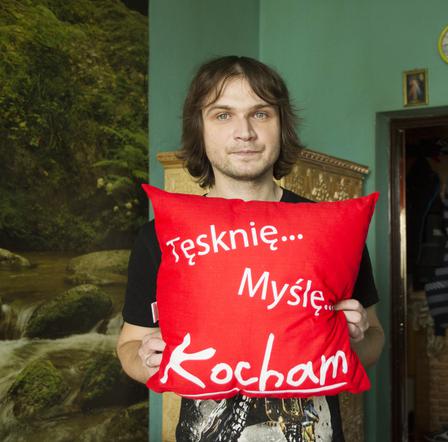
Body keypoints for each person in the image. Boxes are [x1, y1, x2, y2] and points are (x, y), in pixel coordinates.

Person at [116, 55, 385, 442]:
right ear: (199, 129)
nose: (244, 132)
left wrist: (353, 339)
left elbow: (375, 339)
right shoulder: (159, 237)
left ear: (281, 126)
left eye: (260, 114)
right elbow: (128, 345)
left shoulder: (332, 229)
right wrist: (146, 360)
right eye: (223, 115)